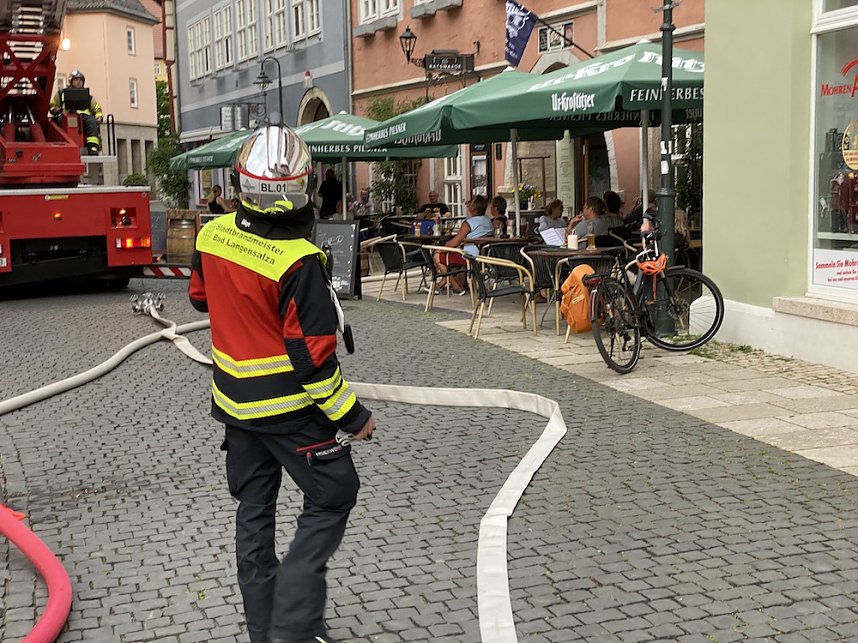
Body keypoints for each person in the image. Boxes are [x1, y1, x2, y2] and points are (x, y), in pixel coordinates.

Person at [188, 124, 375, 643]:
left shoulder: (210, 235)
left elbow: (200, 299)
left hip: (234, 408)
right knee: (335, 492)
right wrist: (354, 417)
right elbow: (313, 362)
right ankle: (293, 625)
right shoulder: (300, 261)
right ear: (304, 188)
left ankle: (265, 630)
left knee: (254, 515)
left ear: (241, 183)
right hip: (290, 412)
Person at [432, 195, 492, 294]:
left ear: (473, 208)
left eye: (470, 203)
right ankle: (444, 284)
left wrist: (441, 249)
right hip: (483, 255)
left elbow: (455, 242)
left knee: (437, 256)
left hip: (469, 256)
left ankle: (456, 287)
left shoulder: (469, 223)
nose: (468, 204)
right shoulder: (488, 220)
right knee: (449, 255)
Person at [49, 70, 103, 155]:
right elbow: (52, 106)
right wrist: (56, 110)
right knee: (58, 123)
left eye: (80, 80)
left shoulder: (87, 96)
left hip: (84, 117)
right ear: (71, 81)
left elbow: (97, 108)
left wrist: (99, 117)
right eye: (76, 80)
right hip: (66, 115)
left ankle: (93, 147)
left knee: (91, 121)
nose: (79, 82)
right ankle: (63, 145)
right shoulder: (61, 94)